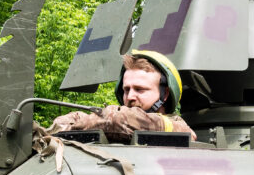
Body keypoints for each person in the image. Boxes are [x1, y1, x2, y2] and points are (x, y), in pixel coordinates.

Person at [51, 50, 196, 140]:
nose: (130, 97)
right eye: (126, 90)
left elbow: (119, 120)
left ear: (164, 95)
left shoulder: (178, 126)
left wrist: (80, 123)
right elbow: (60, 123)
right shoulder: (113, 123)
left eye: (140, 89)